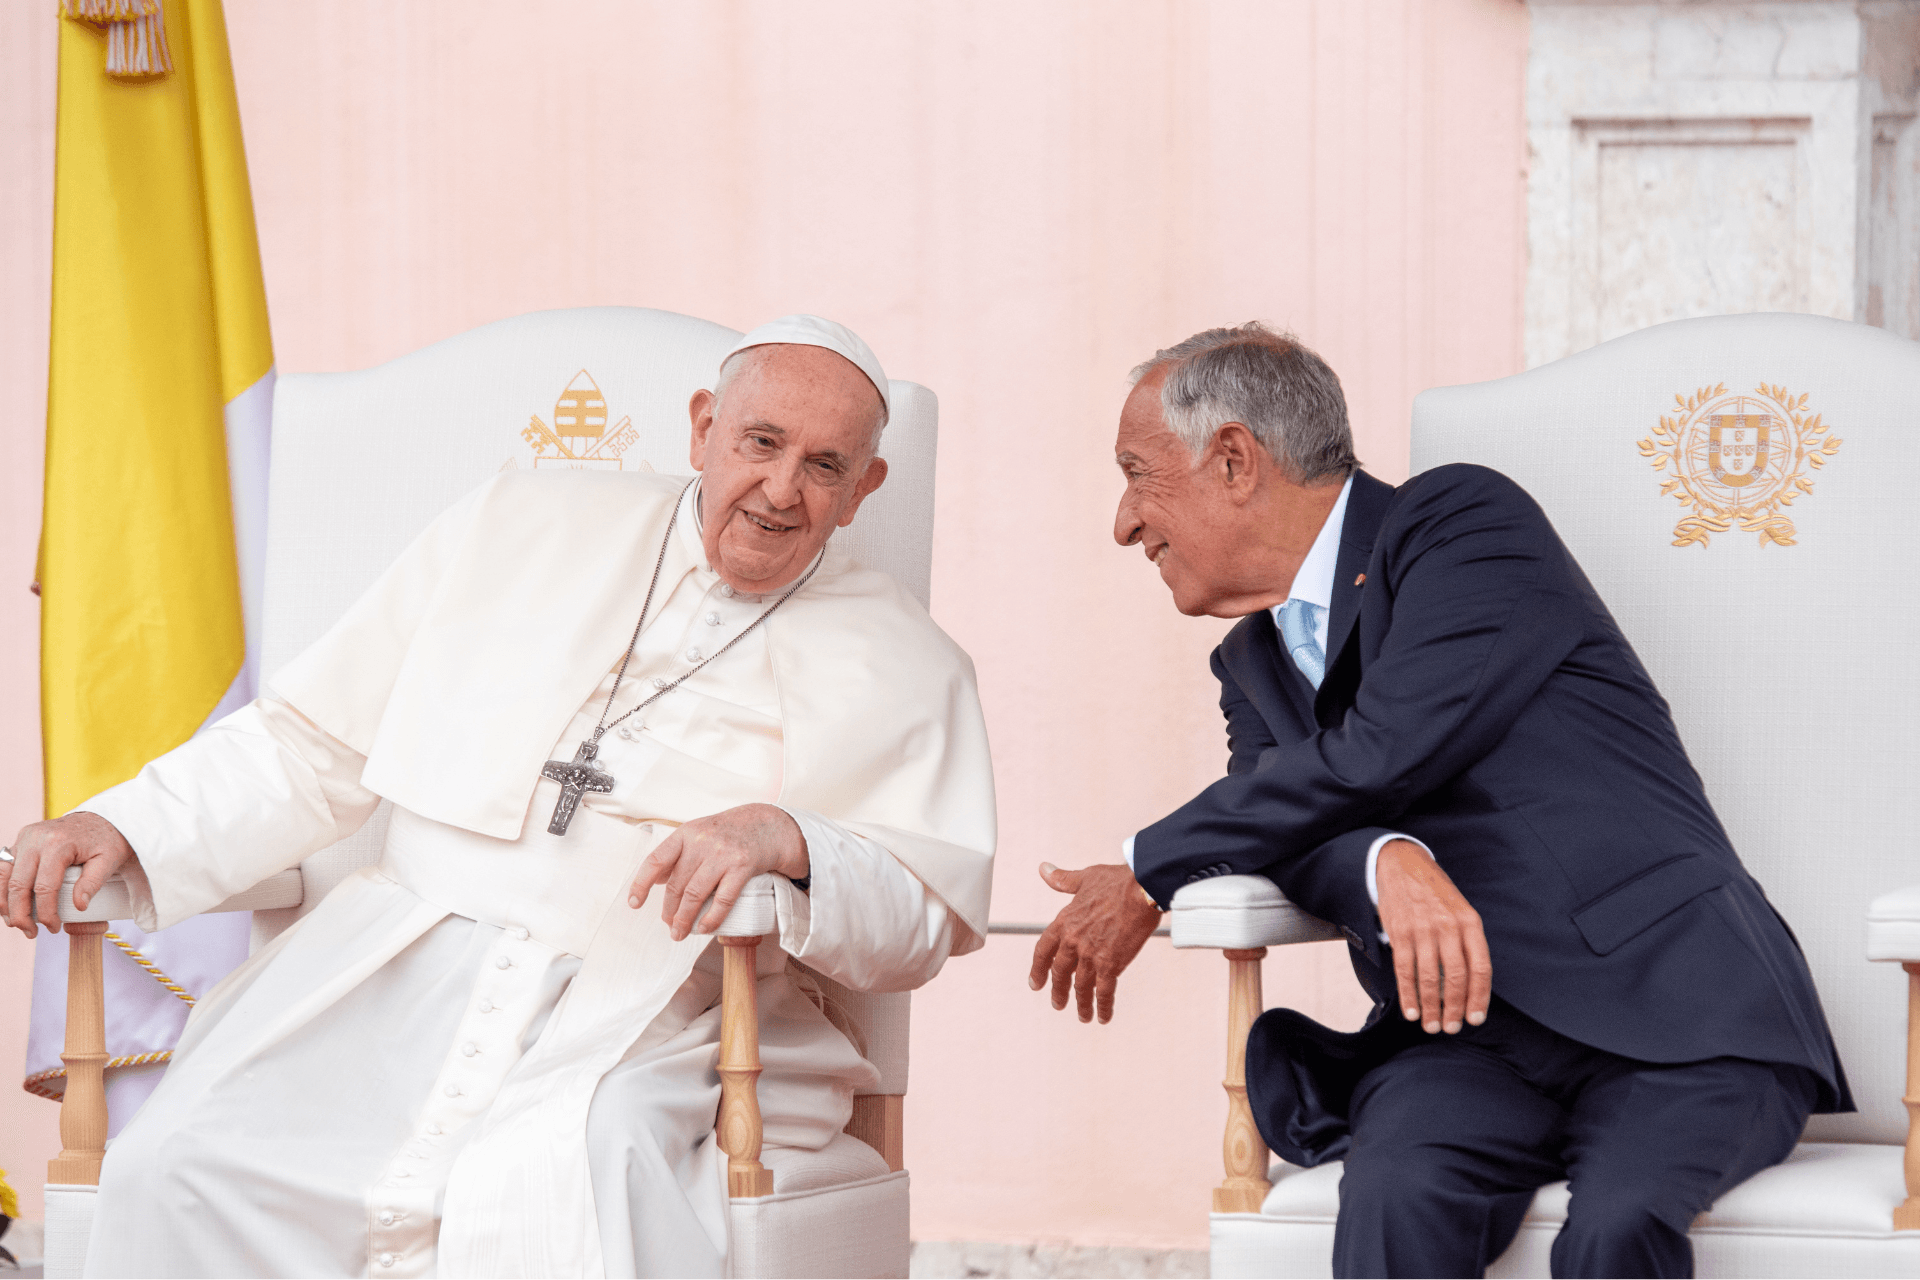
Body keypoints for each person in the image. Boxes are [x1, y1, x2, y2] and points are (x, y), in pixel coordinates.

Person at [1, 315, 996, 1279]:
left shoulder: (912, 662)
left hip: (669, 1010)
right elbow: (312, 741)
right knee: (176, 1161)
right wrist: (126, 818)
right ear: (702, 426)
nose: (781, 489)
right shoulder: (520, 522)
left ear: (866, 488)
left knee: (564, 1187)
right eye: (761, 442)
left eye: (825, 466)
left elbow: (921, 912)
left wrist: (789, 837)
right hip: (398, 964)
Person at [1029, 323, 1848, 1278]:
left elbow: (1384, 746)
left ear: (1235, 459)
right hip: (1467, 1041)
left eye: (1137, 472)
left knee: (1614, 1228)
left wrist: (1144, 869)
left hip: (1676, 1011)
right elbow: (1282, 826)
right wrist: (1387, 862)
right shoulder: (1248, 663)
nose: (1124, 522)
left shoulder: (1460, 526)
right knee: (1393, 1194)